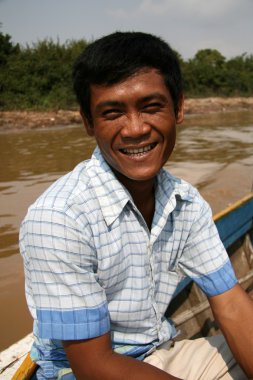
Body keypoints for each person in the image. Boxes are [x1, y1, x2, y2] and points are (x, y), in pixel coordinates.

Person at [20, 31, 253, 380]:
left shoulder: (186, 202)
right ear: (88, 122)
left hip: (158, 350)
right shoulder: (59, 218)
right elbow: (93, 366)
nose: (134, 130)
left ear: (179, 108)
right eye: (112, 113)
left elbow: (231, 303)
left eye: (151, 106)